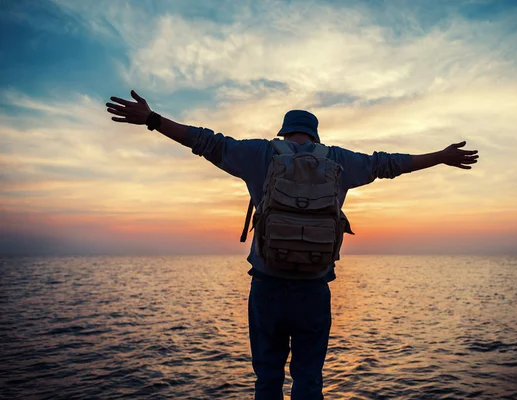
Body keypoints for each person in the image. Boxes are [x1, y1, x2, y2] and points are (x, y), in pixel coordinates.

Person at [106, 90, 479, 400]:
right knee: (308, 380)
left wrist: (153, 120)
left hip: (267, 287)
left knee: (267, 378)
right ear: (314, 135)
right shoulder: (339, 161)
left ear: (285, 133)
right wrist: (441, 157)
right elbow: (390, 164)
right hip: (314, 291)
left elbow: (204, 141)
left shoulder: (261, 155)